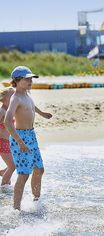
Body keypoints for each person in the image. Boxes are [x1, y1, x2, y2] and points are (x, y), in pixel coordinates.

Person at [5, 66, 52, 210]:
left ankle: (36, 201)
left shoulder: (27, 94)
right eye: (27, 79)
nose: (30, 81)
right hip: (21, 137)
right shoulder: (16, 98)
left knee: (39, 169)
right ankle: (16, 209)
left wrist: (42, 113)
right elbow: (7, 121)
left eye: (31, 78)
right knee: (24, 173)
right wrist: (19, 141)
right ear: (17, 81)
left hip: (31, 136)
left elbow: (31, 106)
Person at [0, 87, 15, 187]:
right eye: (12, 97)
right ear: (5, 99)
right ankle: (4, 187)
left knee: (14, 164)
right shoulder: (1, 111)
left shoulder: (9, 111)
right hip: (2, 142)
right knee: (12, 166)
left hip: (8, 142)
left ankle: (4, 176)